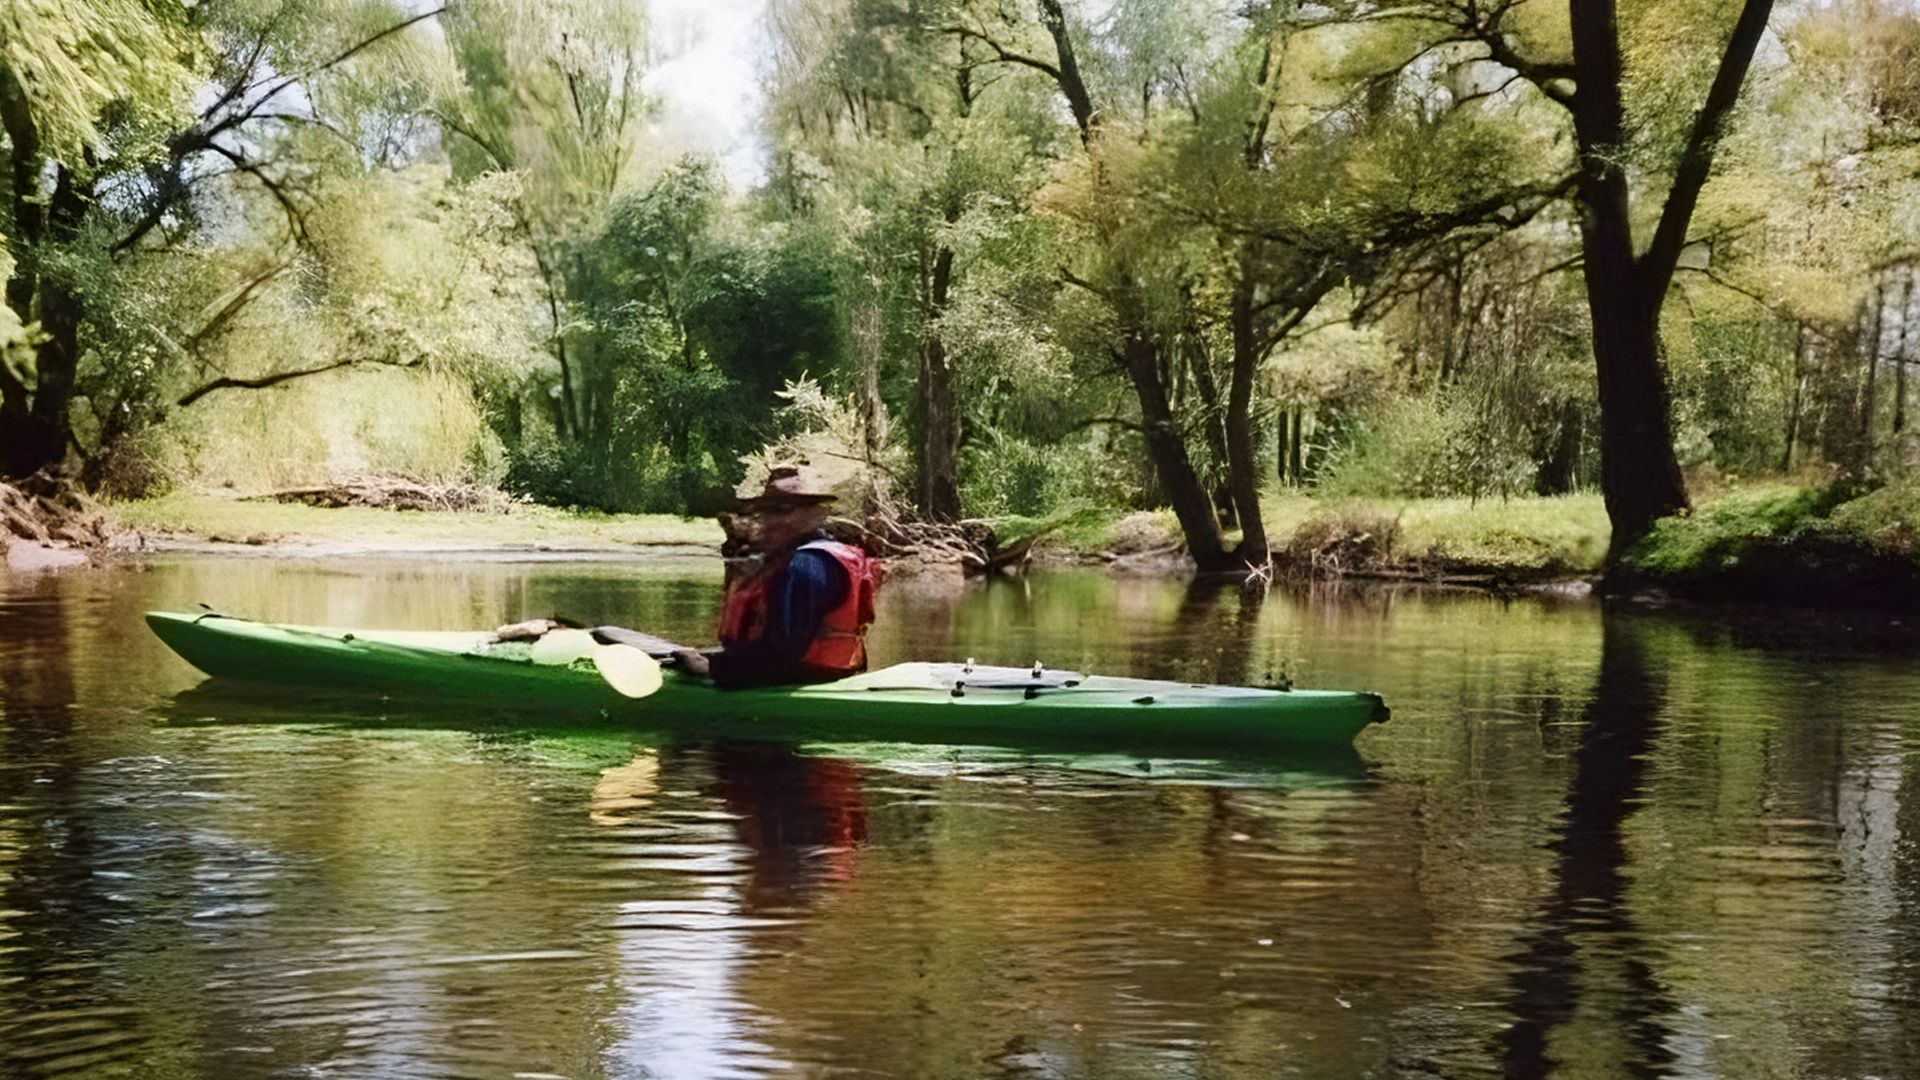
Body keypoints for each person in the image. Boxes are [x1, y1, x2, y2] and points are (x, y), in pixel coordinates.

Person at [671, 465, 880, 688]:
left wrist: (713, 668)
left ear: (816, 514)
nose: (773, 519)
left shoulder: (806, 564)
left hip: (803, 679)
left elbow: (782, 653)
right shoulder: (806, 557)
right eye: (770, 510)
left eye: (785, 510)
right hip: (829, 674)